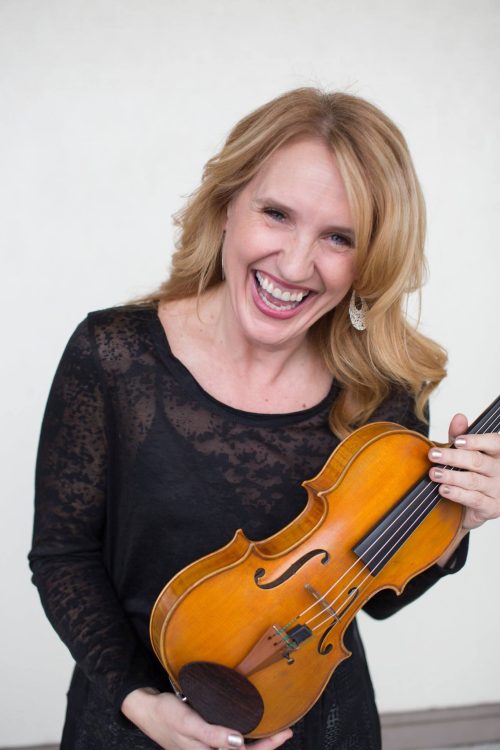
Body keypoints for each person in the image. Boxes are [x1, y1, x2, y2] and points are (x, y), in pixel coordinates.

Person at [29, 88, 500, 750]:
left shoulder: (381, 391)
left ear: (368, 261)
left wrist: (454, 521)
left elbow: (377, 596)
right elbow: (64, 555)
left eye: (339, 237)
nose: (295, 263)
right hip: (132, 719)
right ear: (227, 205)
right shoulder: (111, 355)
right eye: (277, 214)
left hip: (320, 723)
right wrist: (143, 704)